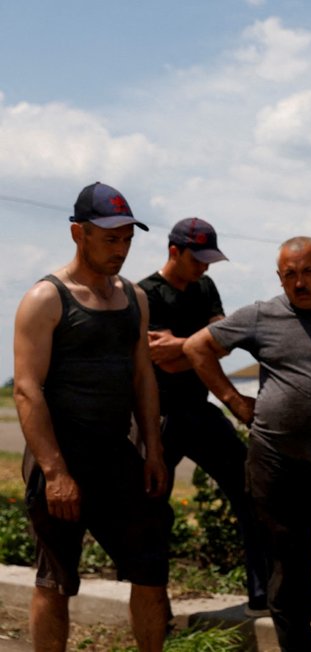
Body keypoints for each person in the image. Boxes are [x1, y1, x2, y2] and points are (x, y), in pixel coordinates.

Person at [13, 182, 172, 651]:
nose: (120, 249)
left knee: (150, 568)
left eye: (126, 238)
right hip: (60, 458)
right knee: (55, 580)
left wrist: (154, 451)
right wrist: (55, 471)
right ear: (78, 233)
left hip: (116, 455)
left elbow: (144, 378)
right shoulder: (46, 298)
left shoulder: (134, 298)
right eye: (110, 239)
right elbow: (26, 390)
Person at [184, 236, 311, 651]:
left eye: (308, 272)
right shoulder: (263, 315)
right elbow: (198, 348)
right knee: (288, 568)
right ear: (280, 279)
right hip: (277, 462)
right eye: (290, 275)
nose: (299, 282)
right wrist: (233, 401)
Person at [138, 217, 268, 614]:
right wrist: (199, 349)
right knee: (148, 504)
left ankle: (262, 591)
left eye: (209, 260)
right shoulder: (147, 294)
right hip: (158, 417)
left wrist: (185, 346)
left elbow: (223, 346)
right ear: (174, 252)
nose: (205, 268)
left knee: (250, 489)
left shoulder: (205, 286)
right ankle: (153, 600)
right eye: (198, 260)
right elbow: (164, 361)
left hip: (198, 409)